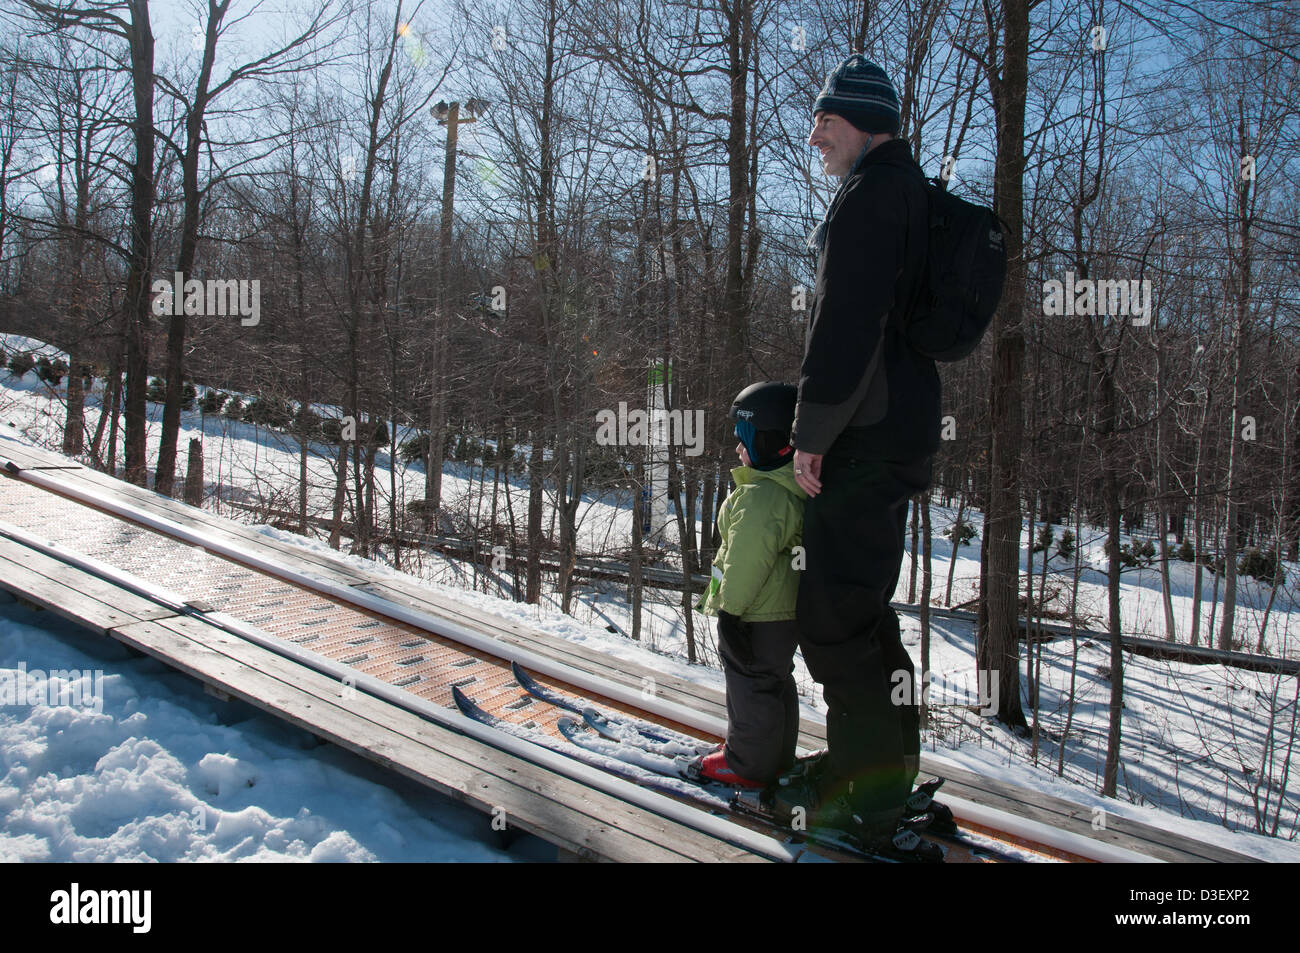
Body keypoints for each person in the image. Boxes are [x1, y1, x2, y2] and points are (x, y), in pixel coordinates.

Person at [776, 54, 942, 858]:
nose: (814, 138)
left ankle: (871, 800)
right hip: (898, 433)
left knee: (832, 616)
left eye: (825, 123)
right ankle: (875, 768)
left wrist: (811, 429)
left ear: (864, 124)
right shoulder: (909, 195)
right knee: (863, 613)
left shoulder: (871, 199)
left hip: (864, 437)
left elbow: (846, 325)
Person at [694, 381, 806, 789]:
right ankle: (774, 757)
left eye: (743, 440)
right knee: (773, 683)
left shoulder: (762, 496)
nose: (737, 449)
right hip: (780, 612)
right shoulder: (786, 486)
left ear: (766, 441)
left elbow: (745, 561)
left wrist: (730, 613)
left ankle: (746, 764)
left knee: (748, 687)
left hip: (755, 614)